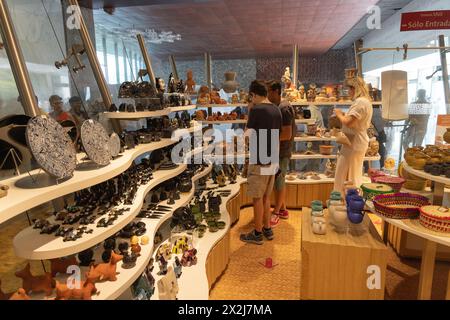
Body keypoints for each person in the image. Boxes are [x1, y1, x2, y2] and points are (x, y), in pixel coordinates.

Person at [240, 80, 282, 245]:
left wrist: (250, 113)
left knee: (257, 198)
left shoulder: (256, 109)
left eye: (251, 97)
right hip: (272, 159)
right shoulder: (276, 109)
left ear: (253, 94)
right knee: (266, 196)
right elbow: (277, 137)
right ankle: (267, 228)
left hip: (259, 159)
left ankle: (257, 233)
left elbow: (247, 136)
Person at [333, 76, 373, 195]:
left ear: (354, 89)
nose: (348, 92)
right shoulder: (366, 102)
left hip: (354, 143)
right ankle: (350, 202)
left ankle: (344, 202)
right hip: (356, 141)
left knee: (346, 175)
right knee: (353, 173)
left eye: (349, 89)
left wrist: (339, 114)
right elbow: (354, 120)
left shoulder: (360, 102)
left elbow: (349, 122)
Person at [267, 80, 296, 223]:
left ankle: (277, 212)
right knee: (278, 179)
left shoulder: (284, 108)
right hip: (277, 150)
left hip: (282, 151)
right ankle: (283, 208)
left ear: (275, 92)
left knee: (279, 180)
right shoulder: (277, 106)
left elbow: (287, 134)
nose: (266, 94)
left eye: (268, 91)